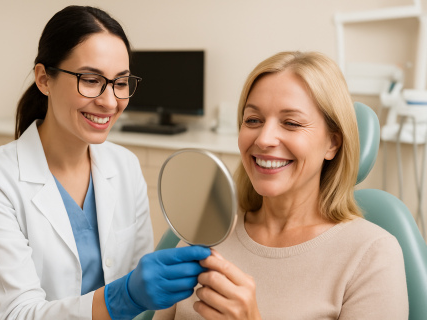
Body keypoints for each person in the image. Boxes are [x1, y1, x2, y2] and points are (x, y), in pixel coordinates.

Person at [0, 6, 210, 320]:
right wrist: (123, 297)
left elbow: (140, 279)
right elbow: (16, 314)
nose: (109, 101)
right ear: (43, 79)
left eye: (120, 83)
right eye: (91, 80)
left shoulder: (125, 166)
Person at [153, 51, 409, 320]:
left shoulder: (373, 255)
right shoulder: (206, 229)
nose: (264, 139)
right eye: (253, 120)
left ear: (332, 143)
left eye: (291, 123)